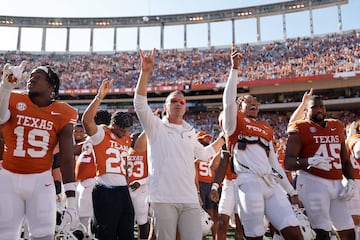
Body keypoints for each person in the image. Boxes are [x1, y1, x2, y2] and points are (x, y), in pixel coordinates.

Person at [133, 48, 225, 240]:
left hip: (189, 198)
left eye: (181, 102)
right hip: (163, 198)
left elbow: (205, 155)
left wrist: (223, 139)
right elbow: (140, 104)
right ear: (166, 106)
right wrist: (145, 73)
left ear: (185, 107)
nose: (177, 104)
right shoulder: (155, 126)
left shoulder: (190, 131)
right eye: (173, 101)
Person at [222, 45, 303, 240]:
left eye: (256, 101)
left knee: (294, 231)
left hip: (270, 182)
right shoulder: (235, 122)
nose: (253, 103)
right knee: (255, 234)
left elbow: (274, 163)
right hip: (248, 182)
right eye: (248, 101)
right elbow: (227, 101)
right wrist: (234, 70)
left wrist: (290, 191)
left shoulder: (266, 128)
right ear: (239, 107)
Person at [0, 62, 79, 239]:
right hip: (7, 178)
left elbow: (67, 156)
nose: (31, 79)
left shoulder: (64, 112)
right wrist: (5, 88)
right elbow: (1, 116)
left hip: (41, 182)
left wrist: (71, 201)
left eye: (38, 77)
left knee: (43, 235)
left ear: (51, 85)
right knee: (4, 234)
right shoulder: (13, 98)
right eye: (30, 77)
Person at [285, 94, 356, 240]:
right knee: (322, 230)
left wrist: (351, 180)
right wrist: (308, 161)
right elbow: (288, 162)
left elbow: (345, 160)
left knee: (348, 229)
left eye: (321, 106)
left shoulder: (336, 126)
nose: (319, 110)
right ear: (307, 110)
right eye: (314, 107)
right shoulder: (300, 127)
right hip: (312, 181)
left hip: (336, 183)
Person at [81, 78, 134, 240]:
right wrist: (99, 97)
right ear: (114, 125)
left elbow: (124, 164)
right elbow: (86, 121)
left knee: (127, 233)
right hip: (105, 190)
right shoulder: (102, 133)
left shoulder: (127, 139)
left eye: (127, 131)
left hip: (123, 191)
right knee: (105, 235)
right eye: (123, 130)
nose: (125, 134)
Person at [75, 109, 111, 235]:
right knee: (81, 215)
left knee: (86, 218)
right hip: (83, 180)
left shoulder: (102, 135)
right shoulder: (91, 138)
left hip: (92, 179)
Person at [194, 130, 220, 239]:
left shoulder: (209, 153)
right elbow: (194, 167)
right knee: (202, 215)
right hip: (200, 183)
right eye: (204, 139)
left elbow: (214, 169)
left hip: (210, 184)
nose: (206, 141)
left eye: (207, 139)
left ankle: (215, 237)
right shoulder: (195, 152)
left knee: (213, 214)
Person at [128, 131, 150, 240]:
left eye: (134, 138)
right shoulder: (126, 151)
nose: (131, 140)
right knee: (127, 220)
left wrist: (140, 182)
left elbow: (154, 174)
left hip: (142, 190)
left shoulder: (148, 153)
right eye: (131, 138)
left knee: (142, 220)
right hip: (126, 189)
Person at [345, 120, 360, 240]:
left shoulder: (347, 141)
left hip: (352, 182)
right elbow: (358, 151)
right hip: (355, 182)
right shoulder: (355, 138)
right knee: (355, 220)